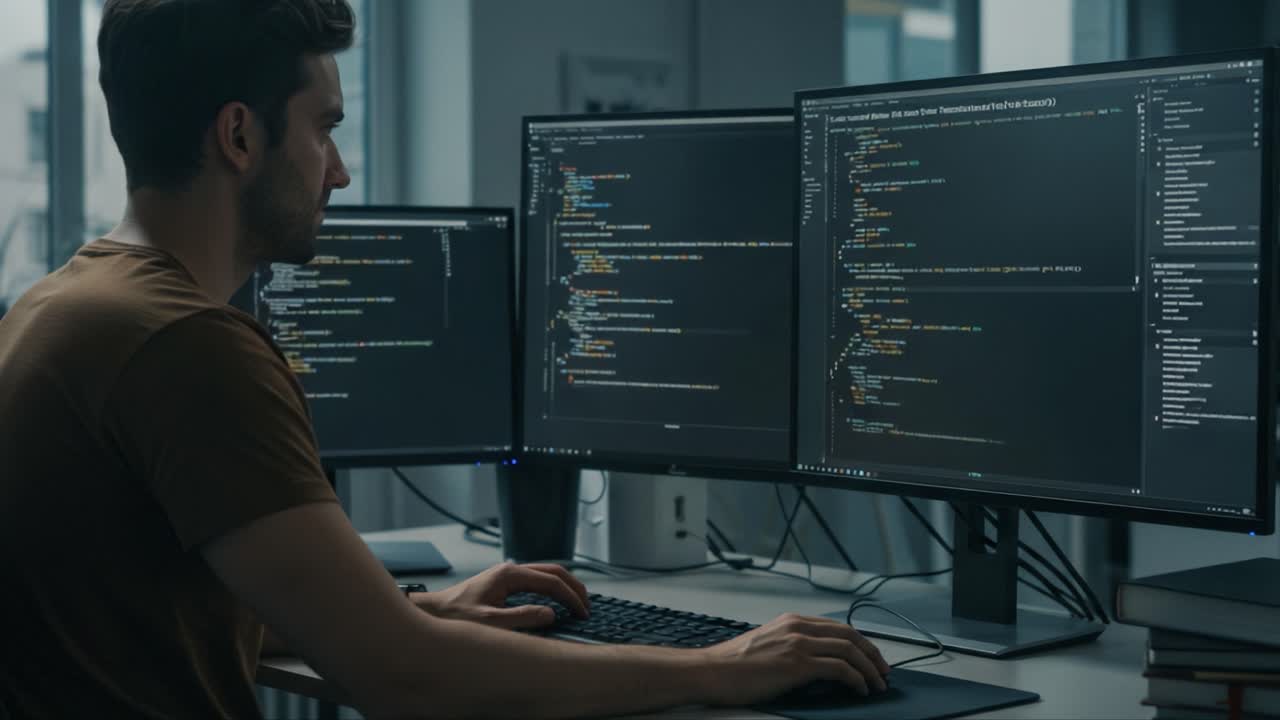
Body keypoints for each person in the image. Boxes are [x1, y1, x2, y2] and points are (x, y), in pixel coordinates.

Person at [0, 1, 890, 717]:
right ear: (239, 136)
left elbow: (154, 613)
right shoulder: (189, 348)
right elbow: (405, 679)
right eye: (323, 129)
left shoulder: (61, 304)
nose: (338, 172)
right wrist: (722, 668)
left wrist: (416, 612)